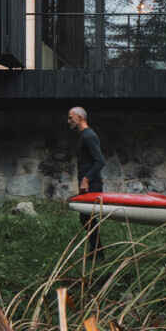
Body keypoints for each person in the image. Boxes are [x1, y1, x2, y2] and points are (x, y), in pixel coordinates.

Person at [67, 105, 105, 260]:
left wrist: (86, 179)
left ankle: (97, 252)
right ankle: (97, 251)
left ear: (80, 118)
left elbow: (100, 161)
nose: (68, 121)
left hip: (92, 184)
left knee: (86, 217)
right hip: (87, 184)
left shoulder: (89, 136)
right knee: (86, 218)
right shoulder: (83, 135)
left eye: (71, 117)